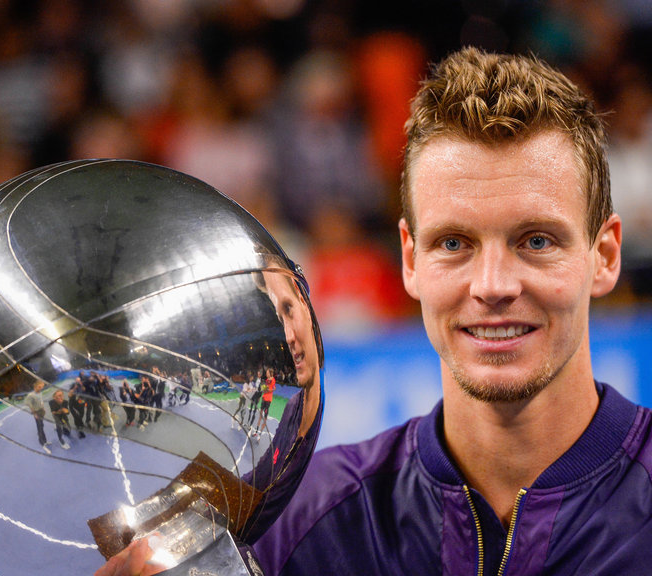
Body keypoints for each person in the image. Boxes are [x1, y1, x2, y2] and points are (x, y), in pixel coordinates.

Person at [252, 47, 645, 575]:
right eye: (455, 244)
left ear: (605, 255)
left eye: (536, 240)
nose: (493, 286)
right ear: (410, 260)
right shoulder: (305, 522)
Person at [24, 380, 51, 454]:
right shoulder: (31, 395)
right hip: (37, 413)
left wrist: (43, 408)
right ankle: (42, 443)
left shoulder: (40, 393)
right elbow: (29, 405)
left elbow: (40, 401)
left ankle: (45, 441)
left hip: (41, 411)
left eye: (42, 387)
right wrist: (34, 414)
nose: (41, 388)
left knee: (42, 426)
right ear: (35, 386)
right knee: (39, 427)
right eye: (39, 387)